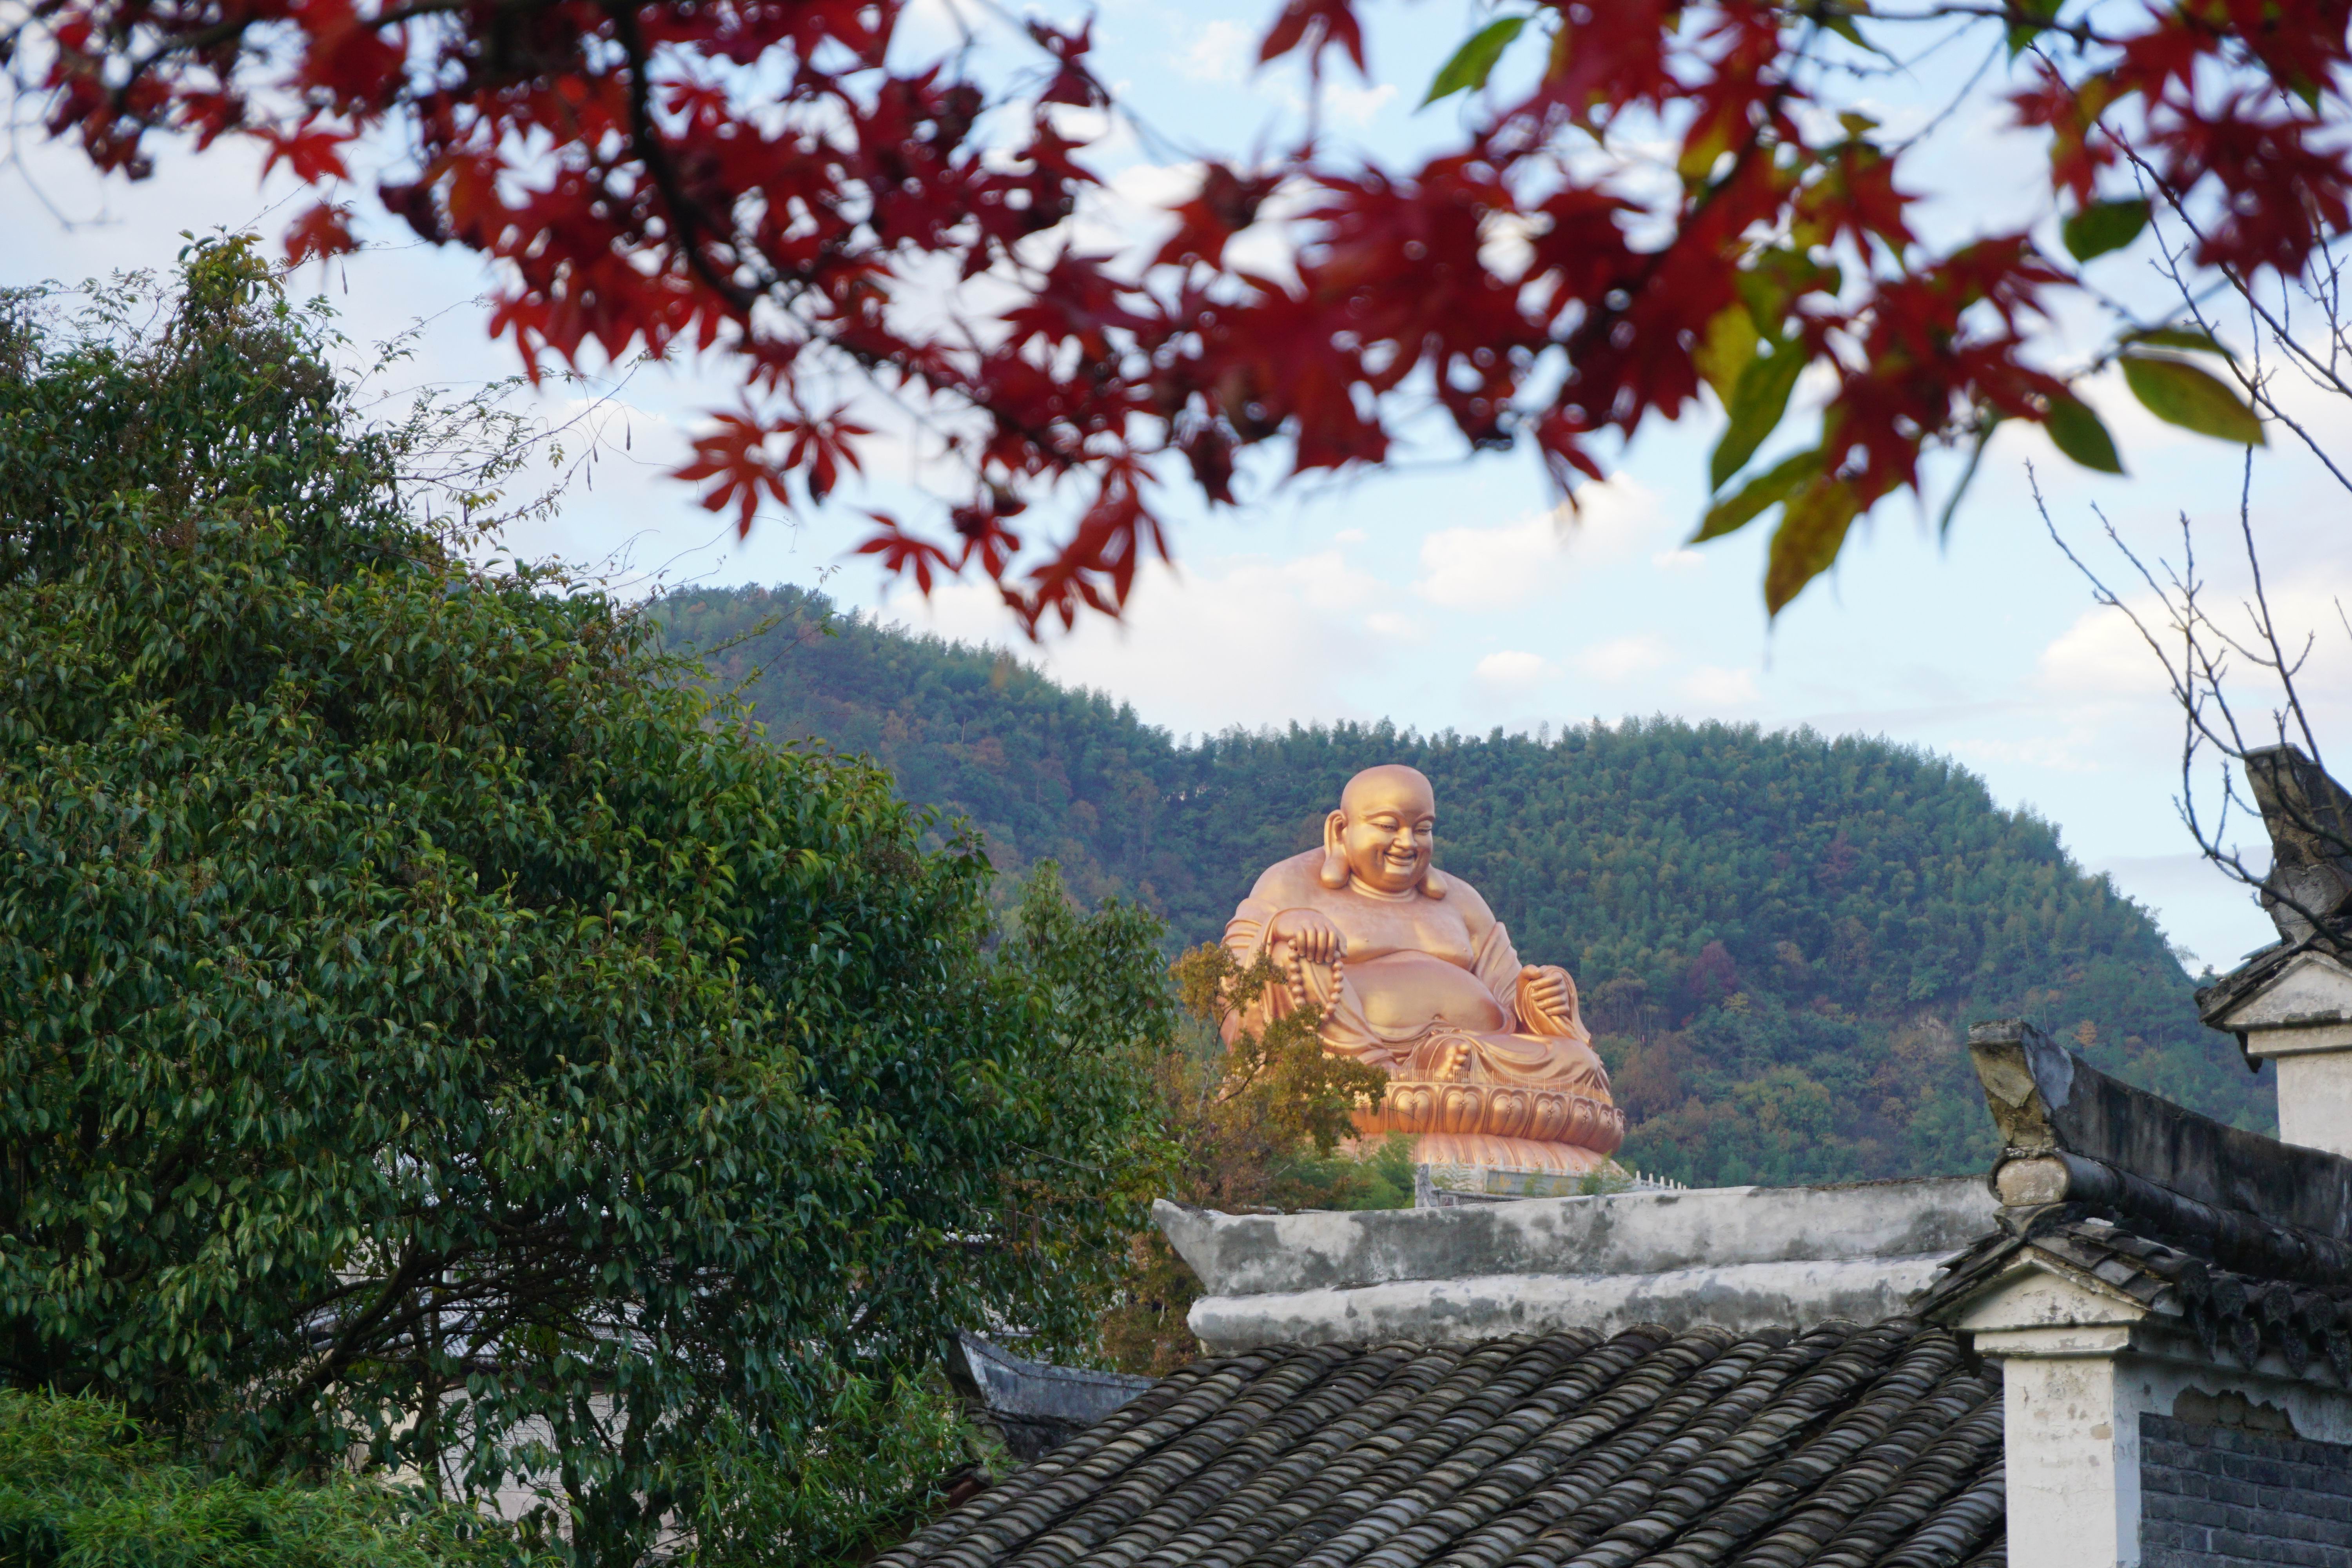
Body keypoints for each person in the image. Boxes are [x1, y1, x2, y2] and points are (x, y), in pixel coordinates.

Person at [1223, 764, 1624, 1175]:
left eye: (1422, 829)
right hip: (1349, 1075)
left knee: (1582, 1064)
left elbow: (1509, 993)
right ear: (1340, 830)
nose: (1406, 843)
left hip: (1469, 1059)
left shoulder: (1464, 901)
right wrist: (1283, 927)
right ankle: (1377, 1076)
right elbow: (1234, 985)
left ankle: (1440, 1064)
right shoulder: (1290, 884)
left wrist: (1539, 997)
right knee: (1286, 952)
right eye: (1388, 826)